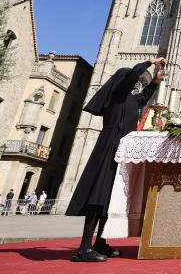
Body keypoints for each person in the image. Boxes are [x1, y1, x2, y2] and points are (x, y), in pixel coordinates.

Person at [66, 57, 166, 262]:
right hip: (109, 147)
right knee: (97, 197)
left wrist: (155, 81)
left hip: (121, 148)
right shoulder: (117, 96)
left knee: (109, 200)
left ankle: (100, 242)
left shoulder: (130, 99)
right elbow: (131, 76)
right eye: (133, 79)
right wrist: (150, 61)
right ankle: (84, 248)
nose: (137, 82)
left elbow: (143, 98)